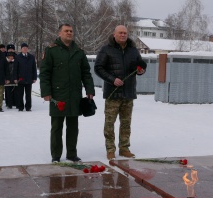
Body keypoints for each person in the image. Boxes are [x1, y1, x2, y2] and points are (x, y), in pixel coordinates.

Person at [39, 23, 95, 163]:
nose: (69, 33)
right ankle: (56, 156)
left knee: (73, 127)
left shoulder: (79, 52)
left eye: (71, 31)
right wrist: (46, 92)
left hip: (74, 95)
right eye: (66, 31)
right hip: (58, 96)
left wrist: (90, 90)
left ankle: (71, 154)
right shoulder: (51, 50)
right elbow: (45, 73)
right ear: (59, 33)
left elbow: (86, 73)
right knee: (57, 127)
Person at [94, 25, 146, 160]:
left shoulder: (133, 50)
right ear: (114, 34)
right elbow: (98, 68)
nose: (123, 35)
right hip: (113, 93)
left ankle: (124, 148)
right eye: (120, 33)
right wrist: (112, 79)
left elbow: (140, 65)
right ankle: (110, 149)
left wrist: (141, 70)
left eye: (125, 33)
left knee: (126, 123)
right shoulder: (106, 49)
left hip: (128, 93)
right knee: (109, 123)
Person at [14, 43, 37, 111]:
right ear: (21, 49)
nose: (25, 49)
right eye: (23, 48)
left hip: (29, 78)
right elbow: (15, 69)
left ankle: (28, 107)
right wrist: (15, 78)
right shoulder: (18, 57)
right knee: (20, 94)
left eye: (26, 48)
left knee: (28, 94)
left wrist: (34, 77)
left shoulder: (31, 57)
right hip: (20, 79)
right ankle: (20, 107)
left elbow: (34, 68)